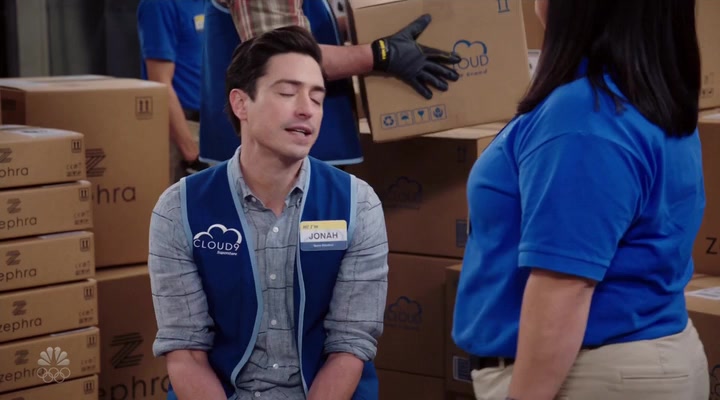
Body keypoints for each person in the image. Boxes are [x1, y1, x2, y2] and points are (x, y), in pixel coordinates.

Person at [452, 0, 709, 399]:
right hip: (632, 359)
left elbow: (564, 287)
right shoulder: (645, 97)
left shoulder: (585, 116)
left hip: (586, 372)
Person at [148, 26, 389, 400]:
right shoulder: (179, 209)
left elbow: (350, 345)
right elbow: (186, 351)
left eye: (317, 97)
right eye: (288, 93)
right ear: (241, 103)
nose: (306, 109)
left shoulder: (358, 205)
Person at [198, 0, 461, 165]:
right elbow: (285, 56)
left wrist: (372, 25)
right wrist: (381, 54)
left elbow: (298, 33)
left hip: (298, 150)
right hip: (268, 162)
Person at [137, 0, 210, 181]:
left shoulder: (211, 4)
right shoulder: (159, 5)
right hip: (184, 128)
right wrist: (191, 152)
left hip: (212, 128)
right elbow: (160, 83)